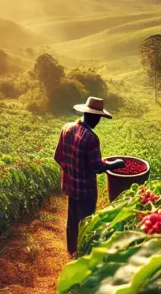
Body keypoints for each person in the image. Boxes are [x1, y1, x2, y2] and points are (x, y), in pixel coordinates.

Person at [53, 96, 126, 257]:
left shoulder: (67, 128)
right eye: (99, 118)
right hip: (86, 191)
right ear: (94, 116)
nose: (99, 121)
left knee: (72, 219)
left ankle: (71, 250)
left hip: (70, 186)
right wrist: (115, 164)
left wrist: (71, 172)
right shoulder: (91, 138)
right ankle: (84, 255)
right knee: (86, 223)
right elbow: (97, 167)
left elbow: (58, 156)